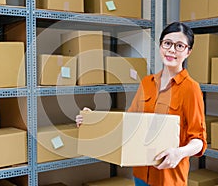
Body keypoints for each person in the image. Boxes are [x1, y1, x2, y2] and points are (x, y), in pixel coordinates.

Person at [76, 21, 207, 186]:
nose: (172, 50)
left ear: (188, 51)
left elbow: (199, 140)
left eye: (179, 46)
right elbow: (129, 123)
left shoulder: (191, 88)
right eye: (167, 43)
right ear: (160, 46)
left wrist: (179, 153)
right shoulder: (147, 83)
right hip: (140, 173)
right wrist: (92, 121)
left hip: (168, 177)